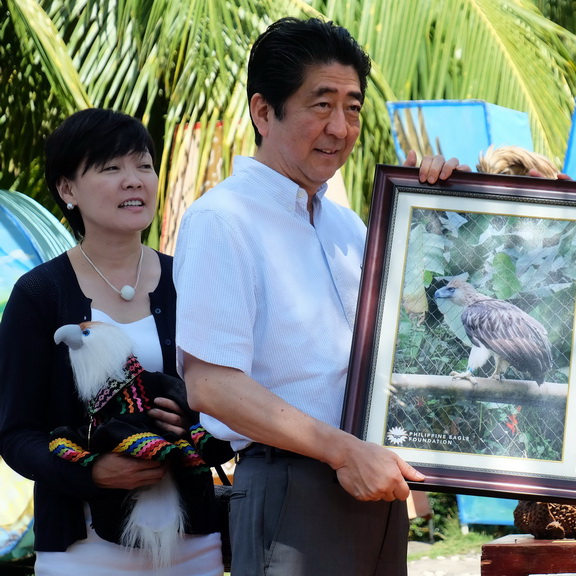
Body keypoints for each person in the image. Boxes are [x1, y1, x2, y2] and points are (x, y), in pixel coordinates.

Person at [173, 16, 467, 576]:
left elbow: (414, 330)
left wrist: (451, 207)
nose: (340, 126)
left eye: (353, 107)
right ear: (264, 111)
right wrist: (342, 451)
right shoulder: (223, 219)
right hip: (293, 487)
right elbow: (210, 385)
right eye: (321, 104)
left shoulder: (348, 225)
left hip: (374, 484)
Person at [0, 108, 232, 575]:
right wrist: (91, 472)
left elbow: (236, 407)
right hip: (82, 551)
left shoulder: (189, 280)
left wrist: (195, 422)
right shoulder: (40, 294)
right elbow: (14, 433)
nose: (134, 180)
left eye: (143, 165)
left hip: (193, 547)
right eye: (111, 168)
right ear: (68, 190)